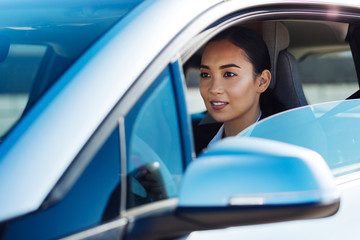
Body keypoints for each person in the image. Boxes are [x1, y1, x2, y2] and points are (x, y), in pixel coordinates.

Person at [199, 26, 271, 146]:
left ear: (262, 81)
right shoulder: (190, 144)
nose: (214, 89)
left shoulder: (284, 146)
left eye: (229, 74)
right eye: (205, 75)